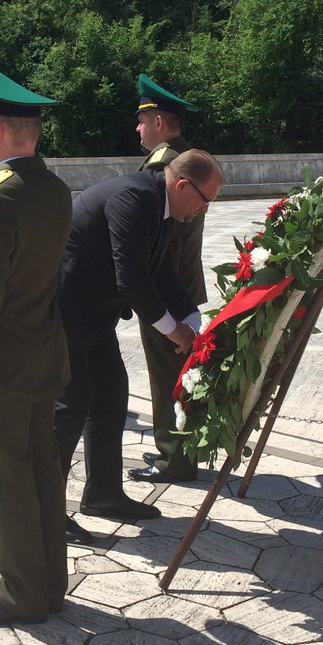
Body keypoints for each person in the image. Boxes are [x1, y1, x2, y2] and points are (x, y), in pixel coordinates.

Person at [0, 62, 73, 626]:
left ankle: (22, 595)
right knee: (43, 472)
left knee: (8, 483)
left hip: (1, 368)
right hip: (43, 357)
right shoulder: (55, 189)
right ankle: (49, 584)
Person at [54, 149, 224, 533]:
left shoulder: (163, 207)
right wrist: (174, 331)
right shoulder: (135, 198)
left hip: (94, 314)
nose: (204, 210)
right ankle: (44, 515)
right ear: (184, 186)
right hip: (66, 311)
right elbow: (131, 278)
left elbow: (161, 272)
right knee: (69, 406)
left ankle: (102, 494)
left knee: (111, 393)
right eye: (205, 201)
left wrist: (194, 322)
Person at [130, 74, 209, 484]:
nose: (137, 128)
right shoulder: (189, 157)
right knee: (177, 372)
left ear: (158, 121)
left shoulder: (165, 165)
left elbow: (159, 239)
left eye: (142, 120)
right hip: (183, 284)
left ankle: (174, 459)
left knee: (168, 376)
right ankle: (178, 449)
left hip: (166, 287)